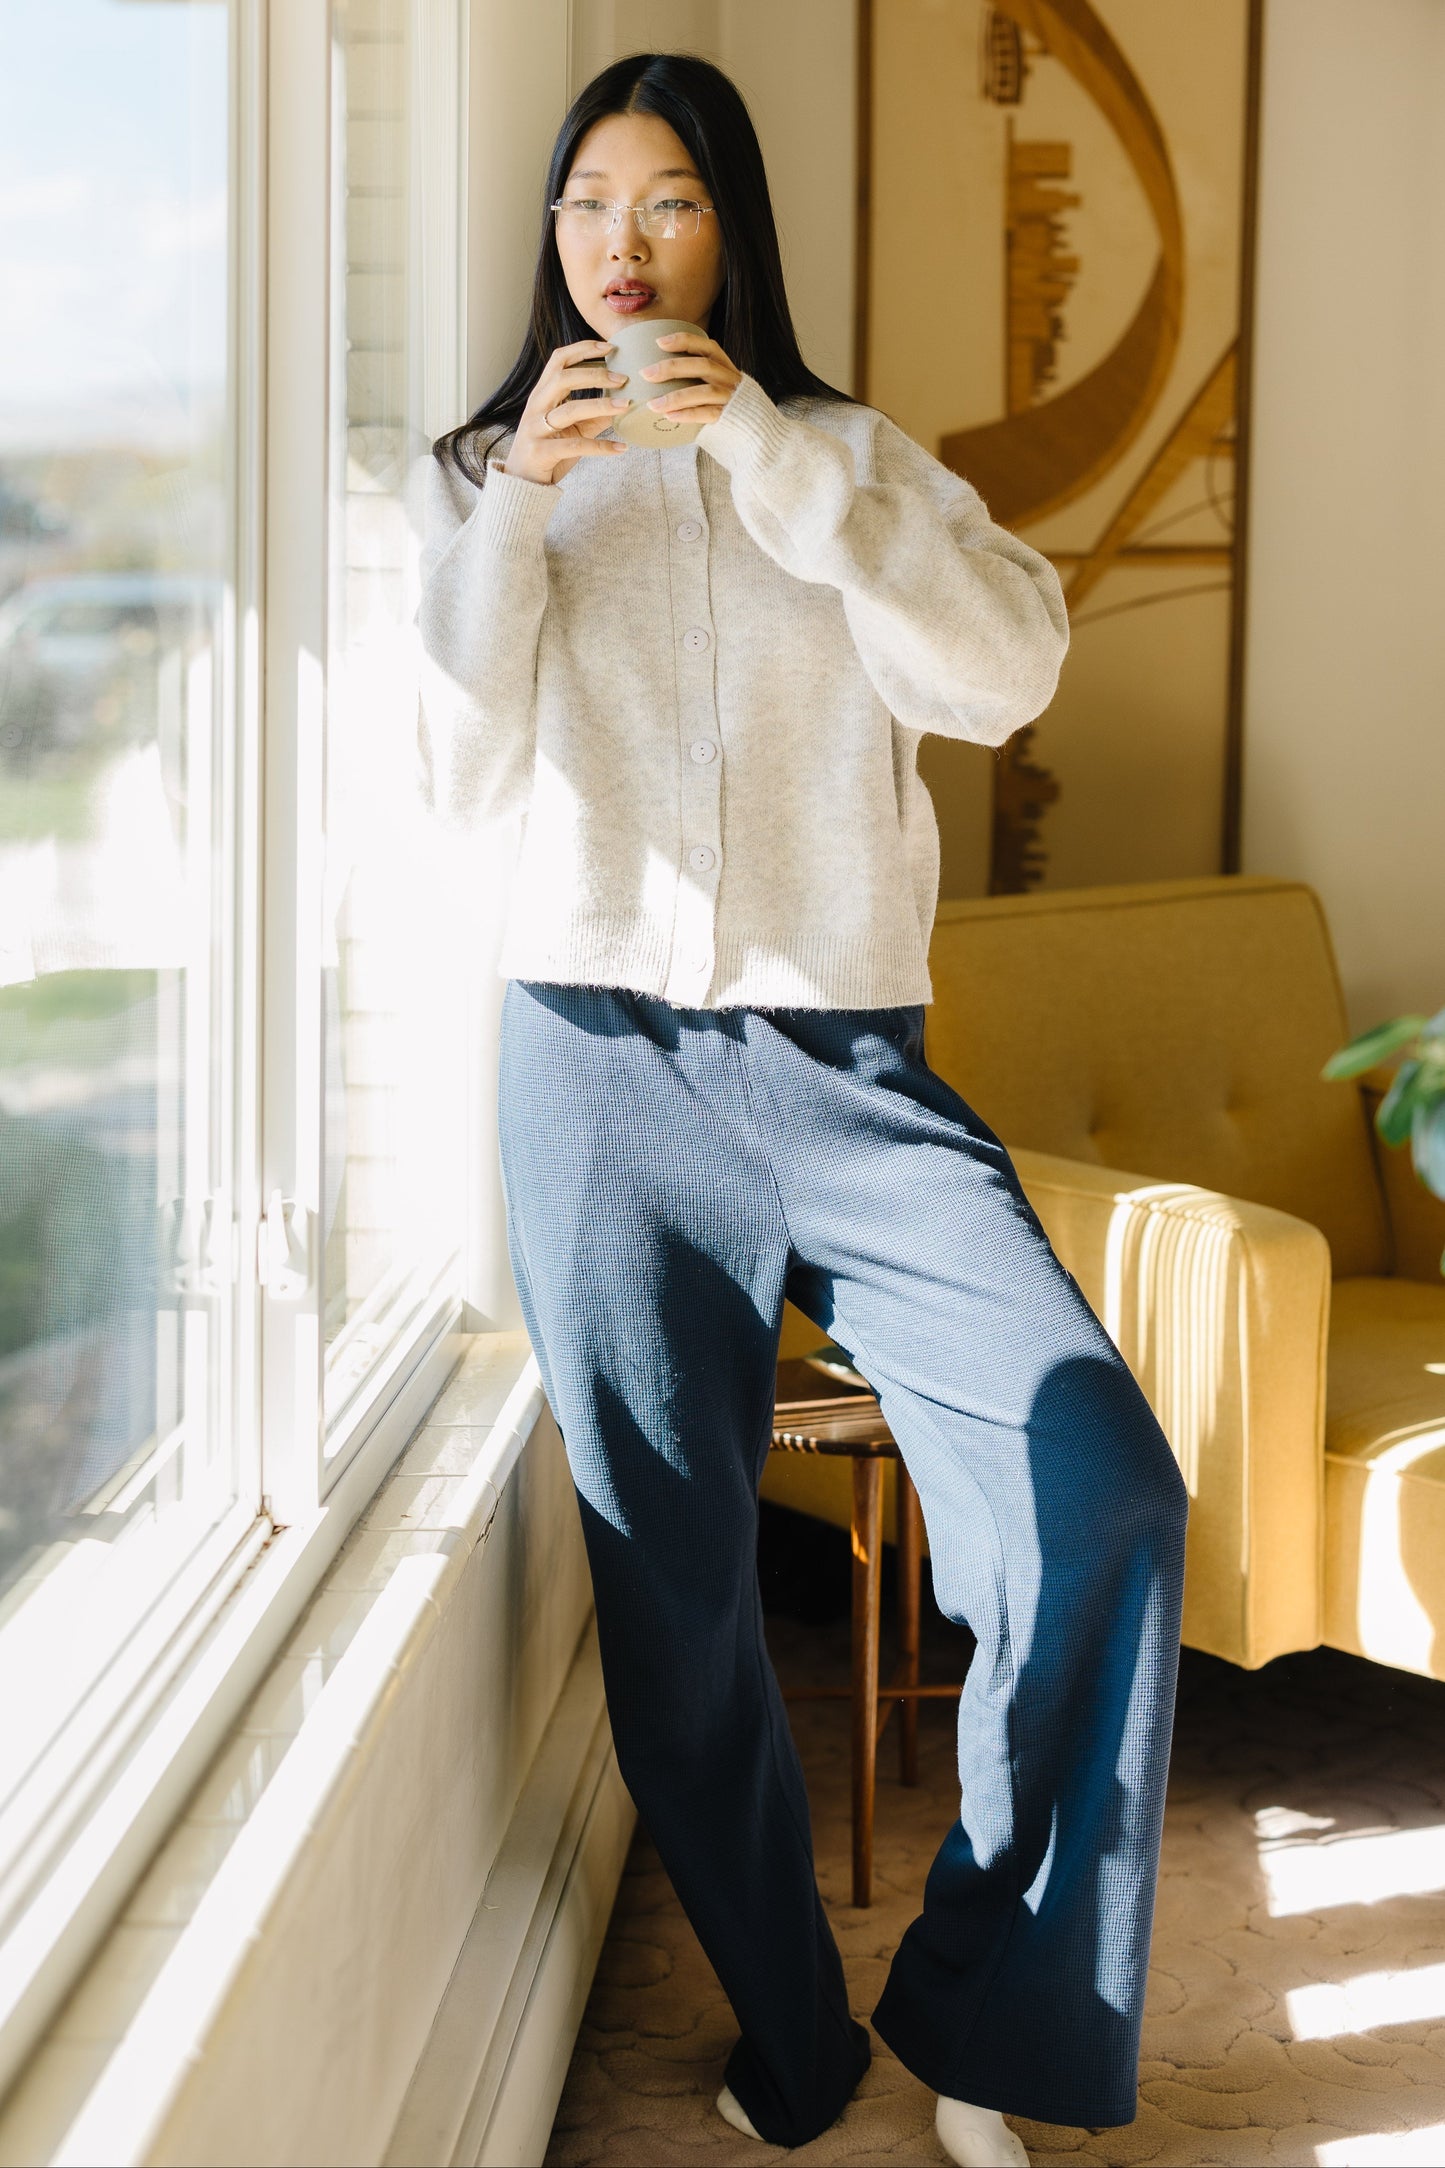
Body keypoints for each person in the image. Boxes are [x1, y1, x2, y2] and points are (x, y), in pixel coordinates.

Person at [420, 51, 1188, 2168]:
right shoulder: (483, 470)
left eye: (665, 205)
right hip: (592, 1062)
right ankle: (799, 2034)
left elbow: (999, 671)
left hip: (847, 1064)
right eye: (590, 205)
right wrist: (517, 516)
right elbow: (455, 775)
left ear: (727, 231)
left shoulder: (844, 453)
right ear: (554, 235)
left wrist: (771, 459)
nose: (622, 247)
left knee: (1103, 1488)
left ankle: (990, 2007)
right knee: (673, 1603)